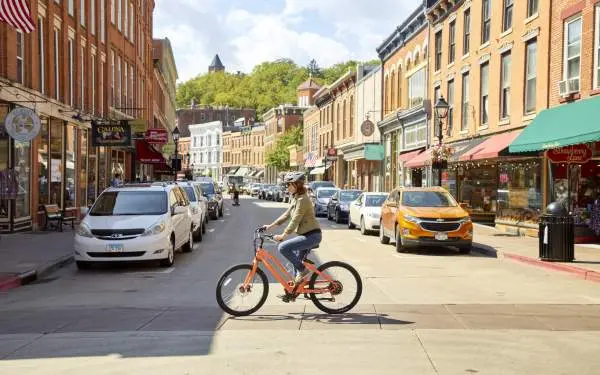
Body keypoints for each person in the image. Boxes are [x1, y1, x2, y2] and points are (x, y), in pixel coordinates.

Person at [264, 172, 321, 285]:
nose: (287, 187)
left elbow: (295, 219)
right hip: (306, 235)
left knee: (283, 247)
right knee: (297, 262)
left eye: (289, 184)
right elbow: (286, 215)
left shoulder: (303, 200)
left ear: (297, 185)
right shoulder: (296, 198)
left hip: (312, 236)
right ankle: (295, 289)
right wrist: (270, 226)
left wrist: (283, 235)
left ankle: (303, 271)